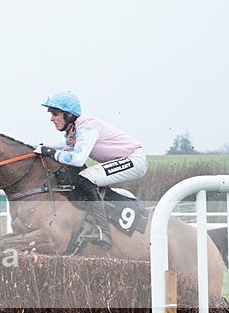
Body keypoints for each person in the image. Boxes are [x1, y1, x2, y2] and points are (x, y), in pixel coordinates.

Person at [34, 91, 147, 248]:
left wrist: (50, 151)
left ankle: (104, 232)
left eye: (55, 114)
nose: (51, 118)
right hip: (122, 160)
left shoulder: (86, 127)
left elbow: (77, 158)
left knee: (87, 178)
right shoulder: (71, 133)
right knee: (81, 177)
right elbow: (67, 157)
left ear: (68, 115)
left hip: (133, 160)